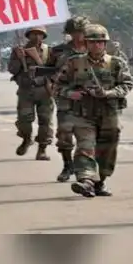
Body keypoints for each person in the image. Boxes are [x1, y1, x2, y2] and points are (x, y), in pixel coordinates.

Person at [53, 24, 133, 198]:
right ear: (86, 43)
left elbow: (127, 85)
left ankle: (100, 181)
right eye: (92, 42)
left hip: (109, 113)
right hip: (83, 114)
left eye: (100, 42)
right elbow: (58, 85)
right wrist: (71, 93)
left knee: (107, 149)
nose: (96, 46)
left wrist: (108, 93)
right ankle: (86, 181)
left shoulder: (116, 63)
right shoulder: (74, 62)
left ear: (105, 44)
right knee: (85, 147)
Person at [44, 16, 90, 181]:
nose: (78, 36)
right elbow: (47, 72)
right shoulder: (58, 51)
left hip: (90, 97)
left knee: (88, 135)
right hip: (65, 96)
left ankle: (85, 168)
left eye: (81, 32)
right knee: (64, 134)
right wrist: (50, 86)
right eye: (74, 32)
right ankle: (67, 165)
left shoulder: (94, 48)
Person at [9, 26, 54, 160]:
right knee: (24, 121)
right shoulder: (18, 51)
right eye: (33, 34)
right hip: (26, 90)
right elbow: (12, 69)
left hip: (44, 90)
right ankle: (26, 139)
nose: (36, 37)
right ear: (28, 36)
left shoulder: (49, 51)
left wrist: (41, 70)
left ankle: (42, 149)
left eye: (40, 34)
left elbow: (55, 69)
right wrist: (19, 59)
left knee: (45, 122)